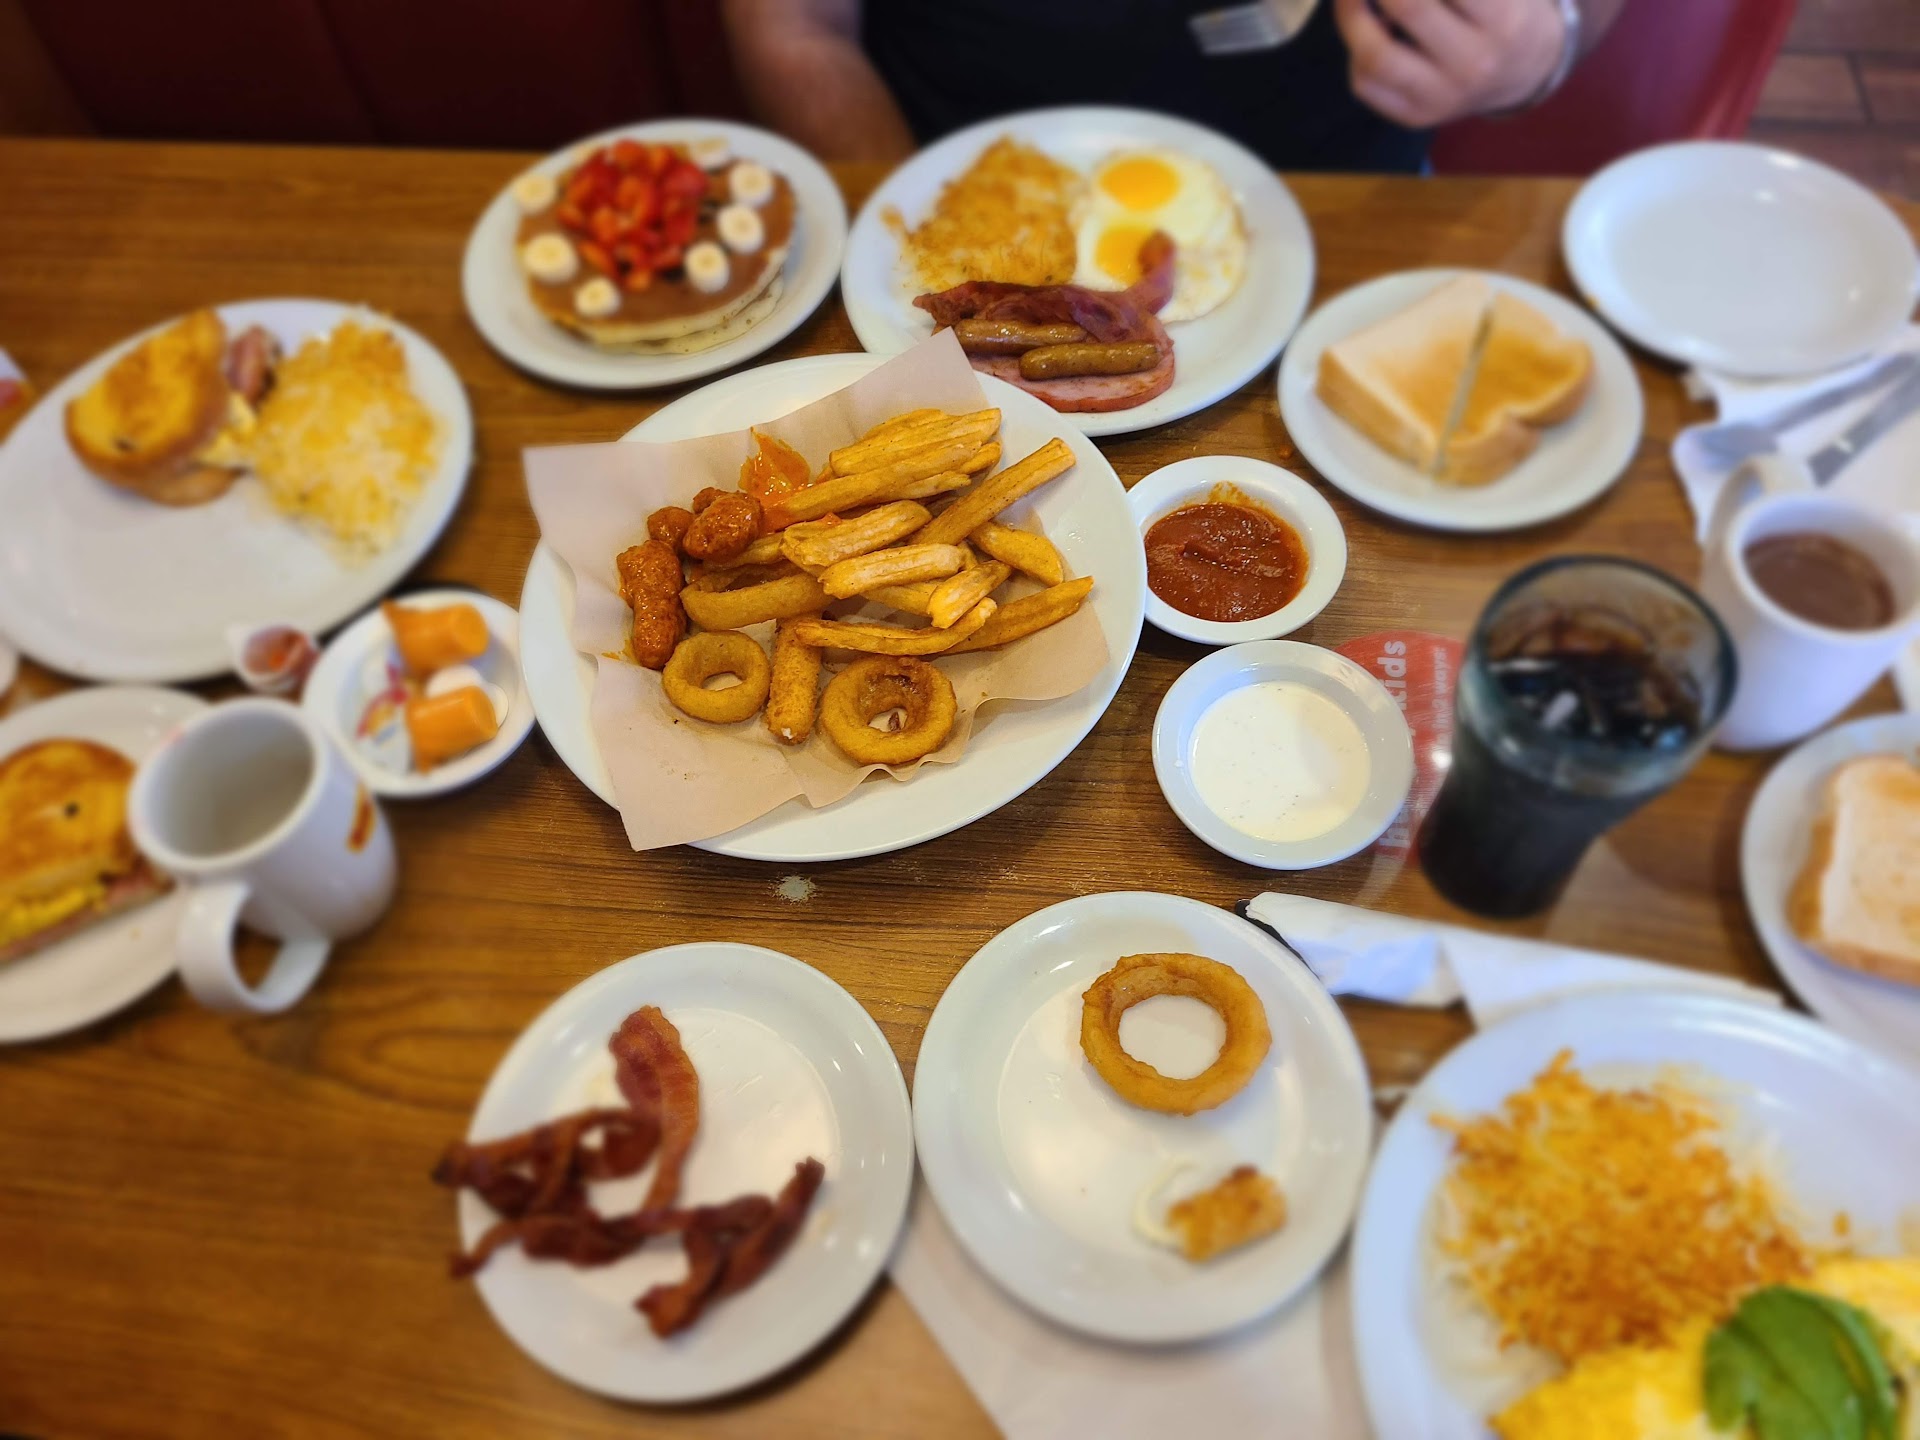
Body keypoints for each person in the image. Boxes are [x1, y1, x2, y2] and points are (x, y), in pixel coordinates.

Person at [722, 0, 1624, 172]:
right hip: (938, 179)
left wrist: (1547, 34)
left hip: (1346, 210)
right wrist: (915, 241)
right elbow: (795, 29)